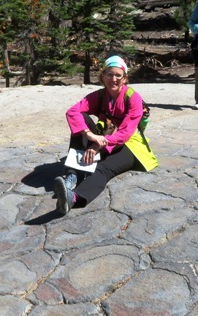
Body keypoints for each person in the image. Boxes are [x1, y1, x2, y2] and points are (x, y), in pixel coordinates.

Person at [53, 56, 158, 215]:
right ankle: (73, 176)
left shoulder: (133, 98)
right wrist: (90, 135)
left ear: (125, 78)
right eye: (109, 74)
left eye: (118, 75)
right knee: (81, 120)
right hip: (105, 138)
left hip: (130, 145)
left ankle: (73, 198)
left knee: (103, 169)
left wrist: (97, 145)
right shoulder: (101, 95)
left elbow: (125, 133)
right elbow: (73, 111)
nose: (113, 79)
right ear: (103, 76)